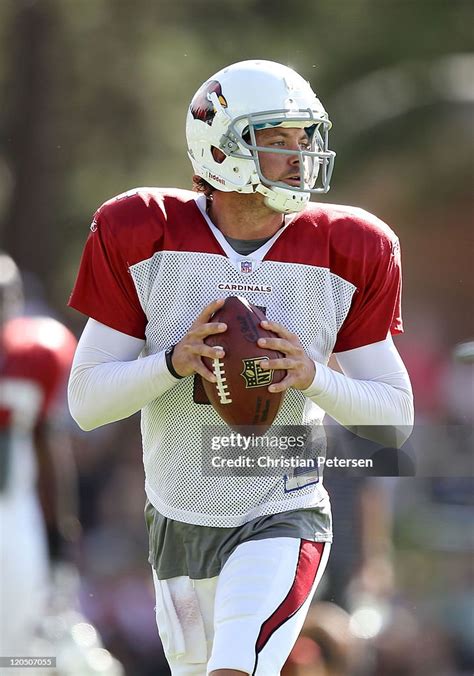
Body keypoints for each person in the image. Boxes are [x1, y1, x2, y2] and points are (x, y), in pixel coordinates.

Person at [68, 60, 414, 675]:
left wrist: (315, 377)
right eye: (275, 140)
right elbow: (87, 402)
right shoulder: (143, 230)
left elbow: (395, 419)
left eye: (304, 139)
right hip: (177, 518)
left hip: (282, 507)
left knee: (236, 667)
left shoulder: (350, 245)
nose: (298, 156)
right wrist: (173, 362)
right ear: (220, 146)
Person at [0, 252, 78, 657]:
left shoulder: (34, 355)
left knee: (19, 647)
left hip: (15, 512)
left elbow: (47, 444)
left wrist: (60, 538)